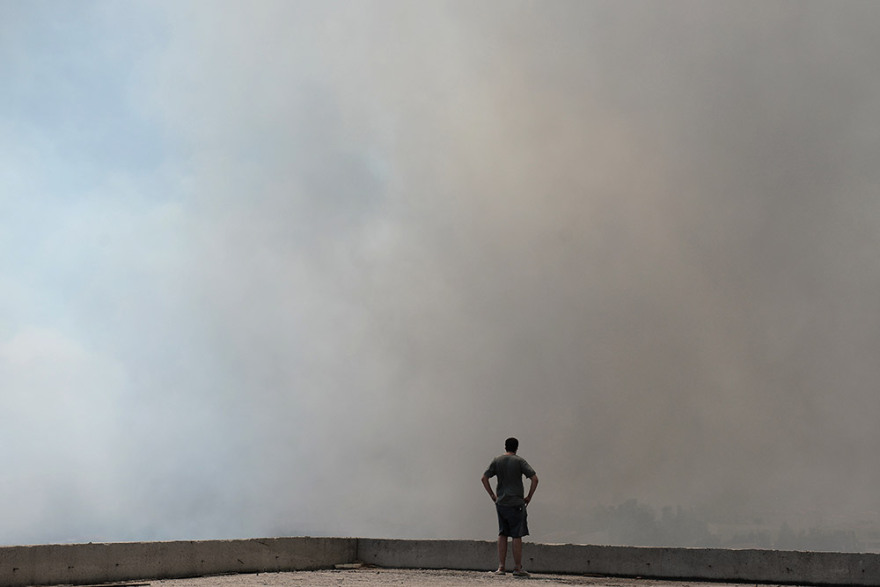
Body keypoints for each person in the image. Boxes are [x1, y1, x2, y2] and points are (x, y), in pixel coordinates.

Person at [481, 437, 539, 577]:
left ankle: (501, 568)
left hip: (501, 502)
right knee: (516, 535)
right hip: (516, 503)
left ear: (505, 446)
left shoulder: (497, 460)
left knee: (502, 533)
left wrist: (493, 496)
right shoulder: (519, 461)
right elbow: (535, 479)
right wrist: (529, 497)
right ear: (516, 447)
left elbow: (484, 478)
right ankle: (517, 568)